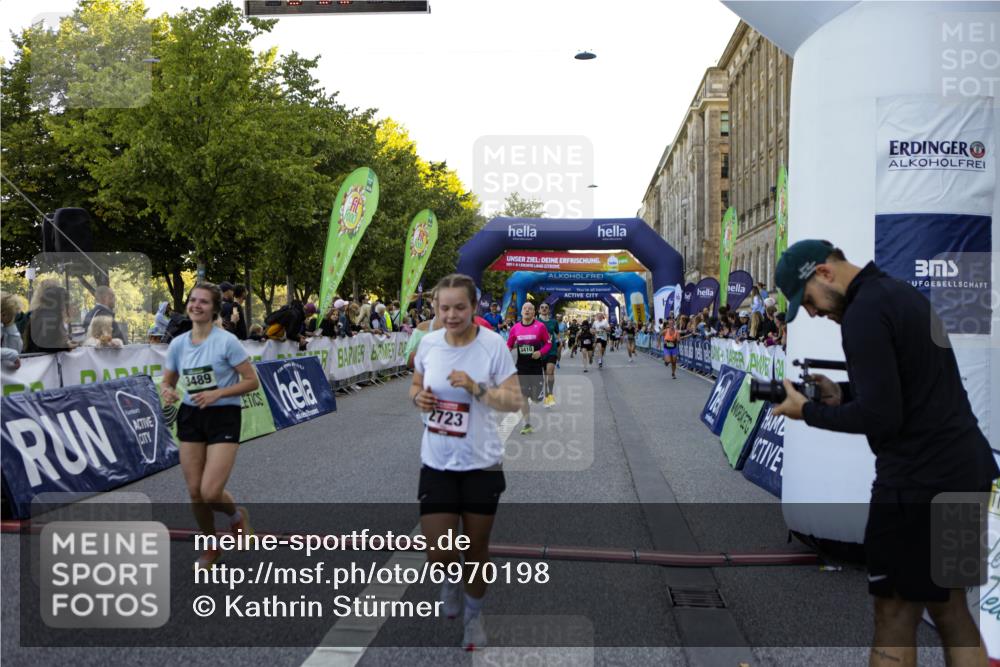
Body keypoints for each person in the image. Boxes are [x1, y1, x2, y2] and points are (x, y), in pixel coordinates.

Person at [771, 240, 997, 667]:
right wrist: (844, 393)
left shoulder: (863, 314)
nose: (814, 313)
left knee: (893, 612)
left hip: (917, 482)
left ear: (823, 273)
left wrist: (809, 412)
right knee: (950, 609)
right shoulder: (899, 294)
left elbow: (881, 418)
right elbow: (903, 392)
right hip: (964, 471)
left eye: (809, 303)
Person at [409, 273, 522, 651]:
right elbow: (416, 384)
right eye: (444, 308)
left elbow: (514, 400)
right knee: (438, 552)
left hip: (481, 464)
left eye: (460, 307)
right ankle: (449, 580)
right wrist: (417, 399)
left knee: (476, 549)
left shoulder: (492, 346)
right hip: (437, 461)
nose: (451, 315)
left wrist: (476, 387)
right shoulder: (428, 344)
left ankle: (474, 617)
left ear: (474, 307)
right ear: (435, 309)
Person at [160, 283, 260, 570]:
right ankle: (211, 544)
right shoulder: (179, 344)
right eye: (193, 300)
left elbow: (251, 381)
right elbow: (168, 380)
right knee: (194, 491)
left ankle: (235, 517)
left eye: (203, 302)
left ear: (214, 309)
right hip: (191, 415)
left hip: (223, 416)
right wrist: (168, 390)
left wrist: (218, 393)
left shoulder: (226, 341)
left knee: (211, 491)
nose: (196, 305)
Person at [506, 302, 552, 434]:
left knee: (536, 399)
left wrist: (540, 353)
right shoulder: (515, 328)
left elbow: (548, 344)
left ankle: (539, 395)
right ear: (521, 312)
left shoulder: (540, 327)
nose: (527, 310)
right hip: (521, 367)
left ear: (534, 312)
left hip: (535, 367)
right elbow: (509, 345)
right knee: (522, 396)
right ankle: (527, 424)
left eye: (530, 309)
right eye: (524, 308)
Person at [24, 285, 75, 354]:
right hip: (40, 361)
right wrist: (66, 346)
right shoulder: (51, 318)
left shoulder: (39, 313)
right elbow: (45, 345)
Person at [537, 303, 560, 408]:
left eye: (546, 307)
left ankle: (550, 394)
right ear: (539, 310)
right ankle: (546, 394)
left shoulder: (554, 322)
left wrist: (560, 343)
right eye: (542, 307)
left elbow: (558, 334)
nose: (544, 309)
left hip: (552, 350)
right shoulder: (536, 322)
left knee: (550, 372)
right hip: (540, 351)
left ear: (549, 310)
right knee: (543, 375)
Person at [1, 293, 24, 369]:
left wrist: (9, 325)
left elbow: (16, 349)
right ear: (4, 314)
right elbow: (15, 353)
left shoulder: (5, 327)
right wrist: (12, 355)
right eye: (12, 315)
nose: (13, 318)